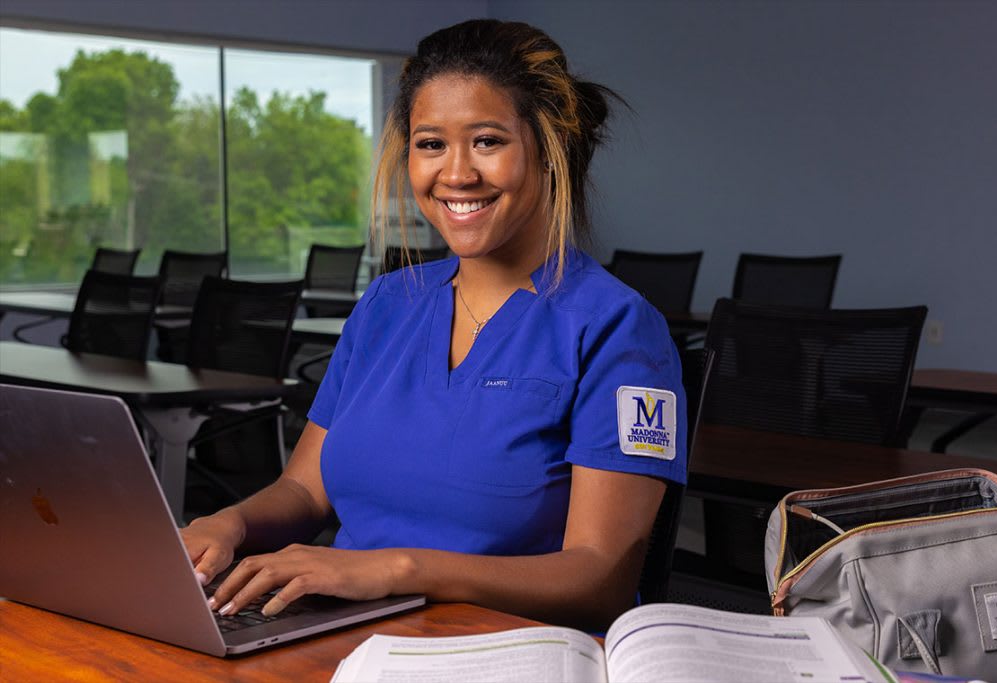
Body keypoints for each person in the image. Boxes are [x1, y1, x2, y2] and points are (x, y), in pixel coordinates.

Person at [183, 18, 686, 632]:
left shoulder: (620, 329)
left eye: (487, 141)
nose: (456, 174)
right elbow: (306, 492)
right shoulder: (388, 303)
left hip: (505, 649)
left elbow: (600, 580)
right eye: (430, 144)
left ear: (548, 147)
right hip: (338, 629)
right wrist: (228, 524)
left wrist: (397, 570)